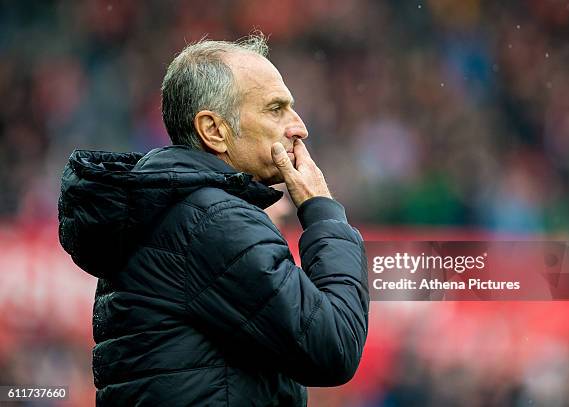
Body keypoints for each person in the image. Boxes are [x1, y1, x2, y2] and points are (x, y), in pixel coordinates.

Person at [58, 33, 369, 406]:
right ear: (213, 130)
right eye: (276, 109)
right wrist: (322, 214)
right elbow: (333, 347)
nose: (299, 127)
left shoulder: (167, 210)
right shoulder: (211, 220)